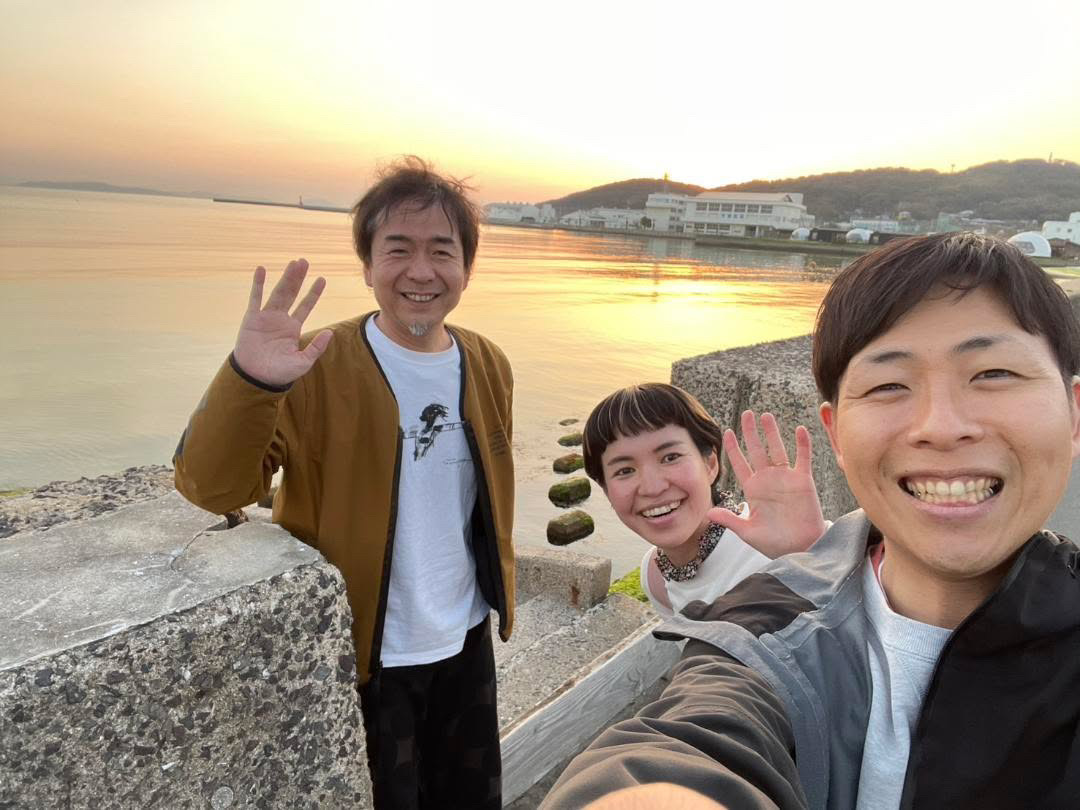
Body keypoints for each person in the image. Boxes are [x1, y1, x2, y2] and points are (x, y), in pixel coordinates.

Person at [542, 232, 1080, 810]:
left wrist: (805, 553)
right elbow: (702, 724)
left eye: (994, 373)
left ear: (1073, 413)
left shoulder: (776, 575)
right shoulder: (745, 622)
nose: (941, 426)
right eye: (889, 385)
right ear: (835, 433)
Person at [173, 157, 514, 809]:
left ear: (466, 268)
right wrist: (251, 378)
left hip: (466, 639)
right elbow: (213, 488)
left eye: (442, 251)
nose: (421, 271)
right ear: (368, 265)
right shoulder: (313, 363)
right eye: (398, 249)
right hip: (362, 654)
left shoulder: (488, 362)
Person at [580, 384, 826, 617]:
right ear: (606, 490)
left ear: (710, 464)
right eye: (624, 471)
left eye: (670, 457)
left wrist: (810, 555)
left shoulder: (774, 550)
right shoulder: (655, 577)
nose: (653, 488)